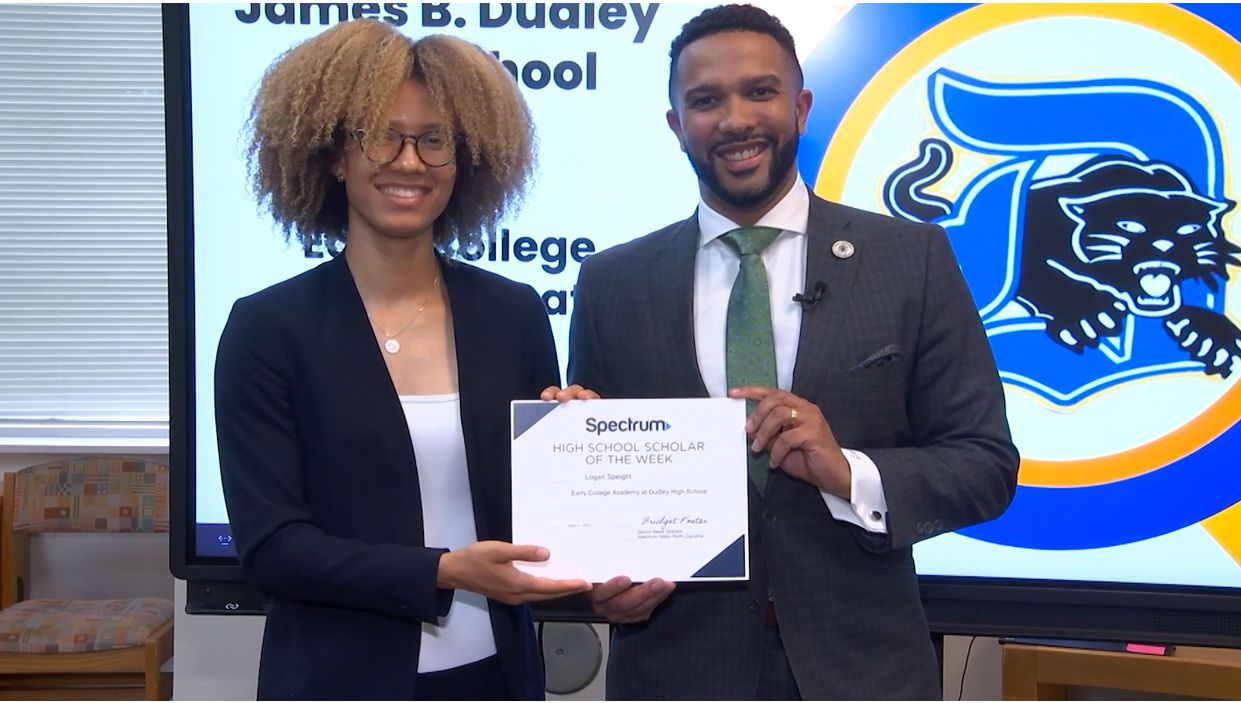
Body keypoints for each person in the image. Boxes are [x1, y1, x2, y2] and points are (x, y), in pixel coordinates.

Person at [562, 4, 1020, 699]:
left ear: (801, 108)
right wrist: (600, 582)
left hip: (866, 673)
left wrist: (849, 473)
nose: (735, 120)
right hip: (676, 673)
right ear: (676, 125)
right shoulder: (612, 283)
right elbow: (597, 498)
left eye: (760, 92)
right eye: (706, 101)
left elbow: (985, 465)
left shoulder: (911, 259)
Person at [214, 20, 590, 701]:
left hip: (497, 679)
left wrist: (584, 443)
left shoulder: (513, 312)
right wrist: (444, 571)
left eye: (433, 140)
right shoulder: (267, 328)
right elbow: (273, 548)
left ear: (464, 160)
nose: (409, 162)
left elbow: (537, 511)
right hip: (337, 682)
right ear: (335, 156)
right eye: (380, 135)